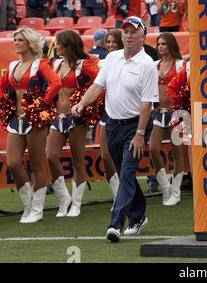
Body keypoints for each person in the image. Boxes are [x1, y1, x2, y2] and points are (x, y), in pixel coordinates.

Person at [71, 16, 158, 242]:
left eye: (133, 32)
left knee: (127, 173)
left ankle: (116, 224)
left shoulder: (147, 64)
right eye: (126, 32)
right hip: (113, 124)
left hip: (135, 125)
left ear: (143, 37)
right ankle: (138, 216)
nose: (129, 36)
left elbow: (147, 103)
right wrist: (82, 103)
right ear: (121, 35)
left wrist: (140, 134)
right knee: (123, 173)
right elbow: (98, 85)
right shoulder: (111, 58)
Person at [0, 27, 62, 223]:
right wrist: (5, 102)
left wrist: (42, 104)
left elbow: (56, 83)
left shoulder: (40, 64)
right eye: (15, 40)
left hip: (35, 120)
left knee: (37, 164)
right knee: (12, 163)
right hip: (16, 120)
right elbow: (3, 86)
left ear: (30, 43)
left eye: (20, 40)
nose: (16, 43)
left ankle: (37, 209)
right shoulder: (12, 66)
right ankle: (28, 205)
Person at [46, 30, 100, 218]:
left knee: (78, 160)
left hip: (76, 118)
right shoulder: (56, 63)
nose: (56, 46)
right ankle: (64, 200)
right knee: (51, 156)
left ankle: (76, 204)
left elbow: (100, 82)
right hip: (57, 117)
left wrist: (86, 104)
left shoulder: (83, 65)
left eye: (59, 43)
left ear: (68, 45)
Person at [149, 32, 186, 206]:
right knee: (153, 148)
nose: (160, 47)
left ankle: (176, 192)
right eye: (159, 44)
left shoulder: (180, 65)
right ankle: (165, 187)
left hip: (176, 113)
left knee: (177, 151)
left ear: (171, 45)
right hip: (158, 112)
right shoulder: (154, 65)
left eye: (163, 44)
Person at [96, 29, 124, 208]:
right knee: (106, 156)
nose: (111, 45)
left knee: (122, 159)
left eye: (114, 42)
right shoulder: (101, 64)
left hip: (125, 115)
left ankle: (125, 195)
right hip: (106, 114)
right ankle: (117, 196)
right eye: (108, 42)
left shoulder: (128, 62)